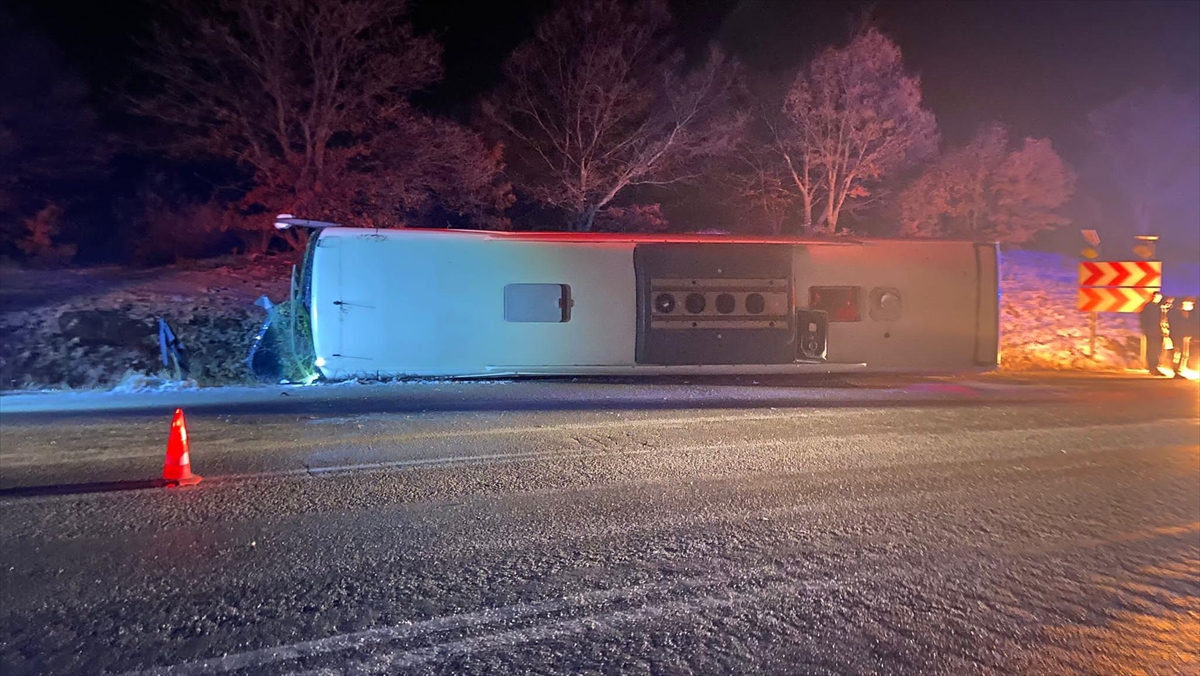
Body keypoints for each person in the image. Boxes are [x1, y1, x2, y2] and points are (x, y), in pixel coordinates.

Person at [1168, 297, 1197, 377]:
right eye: (1190, 303)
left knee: (1185, 354)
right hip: (1177, 336)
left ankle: (1180, 369)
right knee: (1178, 353)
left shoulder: (1187, 313)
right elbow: (1175, 325)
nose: (1192, 305)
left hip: (1185, 336)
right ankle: (1176, 370)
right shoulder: (1175, 313)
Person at [1139, 291, 1165, 375]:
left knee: (1156, 349)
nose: (1159, 299)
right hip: (1152, 331)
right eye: (1157, 297)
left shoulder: (1155, 307)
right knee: (1153, 349)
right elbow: (1146, 319)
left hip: (1155, 331)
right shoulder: (1150, 307)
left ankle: (1153, 367)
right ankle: (1153, 367)